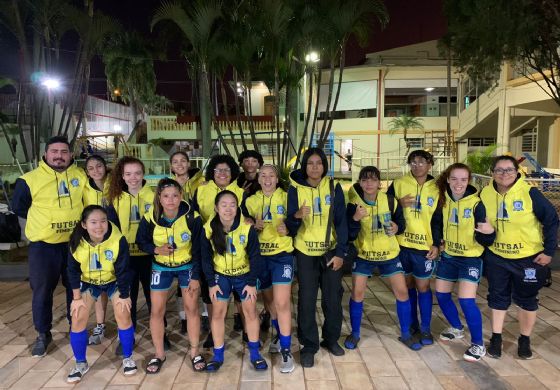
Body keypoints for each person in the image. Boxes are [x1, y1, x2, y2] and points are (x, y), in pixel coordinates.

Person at [12, 136, 86, 357]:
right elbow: (19, 208)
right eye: (54, 151)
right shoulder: (29, 180)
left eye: (64, 152)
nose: (59, 156)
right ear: (46, 154)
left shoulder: (80, 176)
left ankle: (77, 327)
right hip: (43, 247)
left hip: (74, 245)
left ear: (71, 155)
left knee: (77, 290)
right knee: (42, 291)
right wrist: (45, 224)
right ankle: (43, 333)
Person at [480, 155, 559, 359]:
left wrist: (549, 251)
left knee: (527, 300)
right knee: (497, 298)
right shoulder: (485, 193)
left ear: (517, 172)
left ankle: (524, 339)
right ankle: (496, 338)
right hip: (497, 257)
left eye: (509, 170)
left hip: (528, 259)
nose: (504, 174)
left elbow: (551, 219)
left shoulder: (529, 192)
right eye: (499, 170)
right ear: (493, 173)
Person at [345, 166, 422, 350]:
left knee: (402, 292)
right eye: (364, 180)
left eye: (372, 179)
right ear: (360, 183)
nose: (368, 183)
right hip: (364, 256)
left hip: (389, 254)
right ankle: (355, 334)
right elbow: (349, 233)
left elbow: (401, 224)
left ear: (380, 183)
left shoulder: (390, 200)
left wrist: (396, 228)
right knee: (357, 293)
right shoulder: (354, 204)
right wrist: (355, 219)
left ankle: (405, 333)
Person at [286, 147, 348, 368]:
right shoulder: (294, 190)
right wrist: (296, 216)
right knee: (307, 300)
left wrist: (341, 252)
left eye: (319, 163)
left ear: (324, 166)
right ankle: (309, 346)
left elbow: (342, 222)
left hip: (330, 252)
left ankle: (331, 339)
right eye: (310, 163)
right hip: (305, 253)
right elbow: (290, 225)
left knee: (332, 299)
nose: (314, 167)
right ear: (305, 166)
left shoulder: (334, 187)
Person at [136, 178, 205, 374]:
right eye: (166, 196)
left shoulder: (192, 217)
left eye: (175, 195)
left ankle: (194, 352)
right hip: (161, 267)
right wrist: (156, 249)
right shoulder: (150, 216)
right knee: (157, 311)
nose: (171, 200)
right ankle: (159, 354)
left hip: (187, 266)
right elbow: (141, 241)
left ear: (181, 196)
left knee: (191, 309)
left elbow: (200, 249)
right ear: (159, 198)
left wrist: (195, 276)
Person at [66, 205, 136, 382]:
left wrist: (125, 295)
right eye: (93, 222)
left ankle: (128, 358)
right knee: (78, 316)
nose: (99, 226)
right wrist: (76, 298)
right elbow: (72, 271)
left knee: (123, 312)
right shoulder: (76, 241)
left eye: (103, 221)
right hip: (90, 283)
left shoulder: (117, 239)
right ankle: (81, 363)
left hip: (113, 281)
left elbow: (123, 270)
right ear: (84, 224)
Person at [434, 163, 496, 361]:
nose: (458, 183)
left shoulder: (477, 204)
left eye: (463, 179)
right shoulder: (444, 200)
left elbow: (486, 237)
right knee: (442, 295)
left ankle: (478, 344)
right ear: (448, 180)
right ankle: (457, 328)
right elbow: (436, 223)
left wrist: (490, 234)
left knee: (466, 300)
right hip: (449, 256)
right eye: (454, 179)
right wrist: (437, 243)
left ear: (468, 181)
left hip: (470, 258)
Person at [201, 191, 268, 372]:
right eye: (224, 205)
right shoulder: (208, 228)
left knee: (250, 312)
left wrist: (251, 282)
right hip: (220, 276)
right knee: (218, 313)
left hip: (244, 276)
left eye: (232, 204)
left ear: (237, 206)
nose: (228, 209)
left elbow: (255, 256)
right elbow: (205, 258)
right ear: (216, 208)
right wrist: (211, 283)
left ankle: (255, 354)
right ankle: (218, 356)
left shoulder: (246, 227)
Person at [242, 164, 295, 373]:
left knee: (282, 303)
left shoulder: (287, 197)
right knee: (270, 301)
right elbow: (242, 224)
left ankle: (285, 349)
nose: (266, 179)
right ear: (258, 177)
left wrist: (289, 226)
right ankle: (277, 334)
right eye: (262, 175)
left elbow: (297, 220)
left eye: (271, 175)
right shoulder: (251, 200)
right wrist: (251, 224)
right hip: (258, 258)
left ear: (276, 178)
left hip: (282, 256)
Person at [106, 156, 162, 353]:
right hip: (126, 258)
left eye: (137, 173)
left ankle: (160, 335)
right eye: (128, 174)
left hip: (150, 256)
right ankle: (126, 337)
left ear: (143, 173)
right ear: (122, 176)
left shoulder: (155, 195)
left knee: (153, 298)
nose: (133, 178)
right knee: (127, 298)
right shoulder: (114, 199)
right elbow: (110, 230)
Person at [386, 150, 442, 345]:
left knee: (424, 286)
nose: (417, 166)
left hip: (423, 247)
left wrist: (436, 243)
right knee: (406, 286)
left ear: (430, 164)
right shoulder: (399, 183)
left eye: (422, 162)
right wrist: (397, 204)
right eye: (413, 162)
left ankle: (425, 329)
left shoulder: (437, 188)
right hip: (401, 246)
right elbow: (384, 207)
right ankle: (411, 324)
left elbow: (438, 219)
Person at [192, 154, 245, 347]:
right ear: (212, 172)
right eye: (218, 170)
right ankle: (214, 333)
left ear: (232, 173)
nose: (222, 173)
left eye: (226, 170)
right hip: (209, 246)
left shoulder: (240, 192)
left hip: (237, 251)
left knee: (240, 292)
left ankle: (247, 328)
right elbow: (195, 219)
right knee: (210, 290)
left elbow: (245, 220)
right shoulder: (201, 191)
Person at [169, 151, 204, 333]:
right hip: (175, 238)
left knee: (199, 279)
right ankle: (184, 317)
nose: (180, 164)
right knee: (180, 284)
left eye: (183, 161)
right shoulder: (167, 185)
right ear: (171, 166)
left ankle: (203, 316)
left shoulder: (201, 182)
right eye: (175, 161)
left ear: (189, 163)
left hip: (196, 233)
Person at [83, 155, 111, 345]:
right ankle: (100, 324)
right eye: (91, 168)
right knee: (99, 284)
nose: (96, 171)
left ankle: (128, 323)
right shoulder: (83, 189)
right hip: (95, 241)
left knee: (121, 286)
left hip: (115, 239)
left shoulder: (115, 184)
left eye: (99, 166)